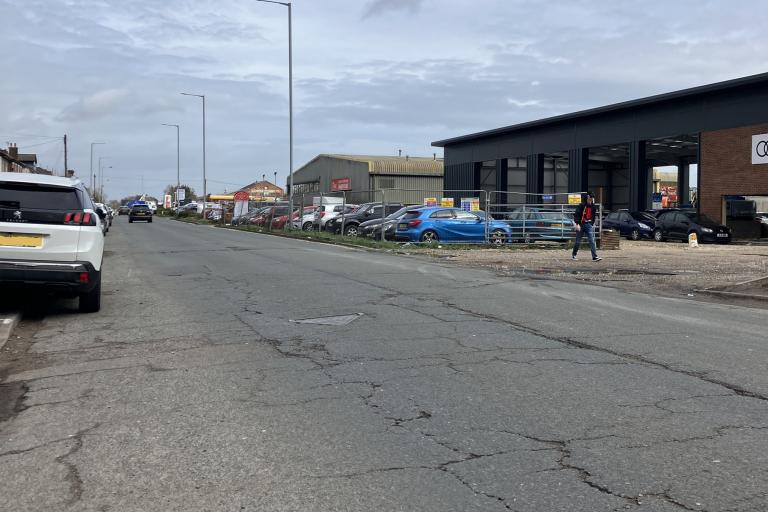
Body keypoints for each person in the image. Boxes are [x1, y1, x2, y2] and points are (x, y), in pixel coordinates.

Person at [572, 192, 601, 261]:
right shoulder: (581, 205)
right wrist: (577, 224)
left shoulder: (593, 206)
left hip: (588, 225)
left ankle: (594, 257)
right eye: (590, 198)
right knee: (577, 242)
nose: (591, 200)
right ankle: (574, 254)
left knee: (592, 240)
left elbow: (593, 216)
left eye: (592, 199)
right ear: (587, 197)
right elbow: (576, 214)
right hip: (581, 224)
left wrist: (591, 223)